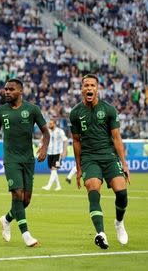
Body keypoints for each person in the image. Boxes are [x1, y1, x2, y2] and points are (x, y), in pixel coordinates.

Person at [0, 79, 50, 247]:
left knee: (26, 200)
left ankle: (7, 219)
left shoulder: (32, 109)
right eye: (5, 89)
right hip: (11, 159)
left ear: (20, 92)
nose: (6, 92)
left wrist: (44, 148)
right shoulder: (0, 111)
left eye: (11, 89)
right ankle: (26, 235)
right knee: (17, 194)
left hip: (28, 159)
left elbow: (46, 132)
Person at [69, 74, 129, 249]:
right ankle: (101, 233)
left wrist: (124, 163)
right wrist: (78, 168)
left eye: (92, 85)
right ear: (81, 89)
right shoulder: (75, 113)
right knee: (93, 189)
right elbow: (76, 141)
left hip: (109, 156)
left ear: (97, 88)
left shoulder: (109, 109)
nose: (89, 88)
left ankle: (119, 222)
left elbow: (117, 138)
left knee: (122, 193)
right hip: (89, 158)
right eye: (86, 85)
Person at [42, 119, 67, 191]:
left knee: (54, 168)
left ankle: (48, 186)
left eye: (51, 124)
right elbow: (43, 139)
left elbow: (65, 140)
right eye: (49, 124)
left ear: (54, 124)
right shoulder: (48, 132)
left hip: (58, 153)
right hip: (50, 153)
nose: (49, 125)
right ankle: (58, 186)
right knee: (53, 170)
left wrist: (64, 151)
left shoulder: (60, 131)